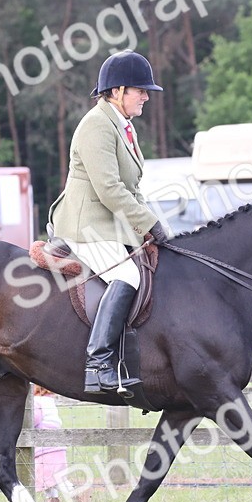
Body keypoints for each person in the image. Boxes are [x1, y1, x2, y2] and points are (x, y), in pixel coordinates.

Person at [47, 50, 168, 394]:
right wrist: (147, 223)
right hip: (86, 225)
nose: (146, 96)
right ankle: (98, 364)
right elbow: (109, 189)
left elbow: (132, 188)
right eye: (140, 90)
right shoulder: (96, 125)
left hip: (109, 223)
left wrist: (154, 226)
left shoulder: (123, 126)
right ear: (117, 91)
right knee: (128, 274)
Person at [31, 385, 72, 502]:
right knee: (52, 480)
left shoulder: (35, 401)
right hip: (56, 447)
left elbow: (33, 419)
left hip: (45, 449)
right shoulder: (50, 401)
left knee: (53, 479)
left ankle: (77, 496)